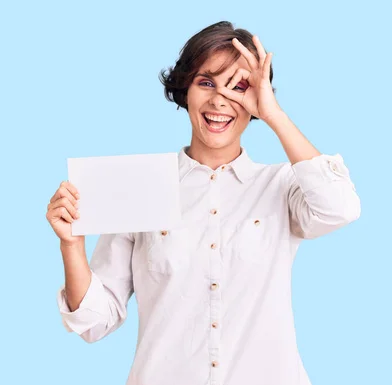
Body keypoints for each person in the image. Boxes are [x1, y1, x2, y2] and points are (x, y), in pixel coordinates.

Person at [46, 21, 360, 385]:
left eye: (239, 87)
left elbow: (341, 208)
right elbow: (95, 322)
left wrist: (274, 115)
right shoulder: (141, 185)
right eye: (206, 82)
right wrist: (71, 245)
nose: (219, 100)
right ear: (185, 89)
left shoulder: (282, 185)